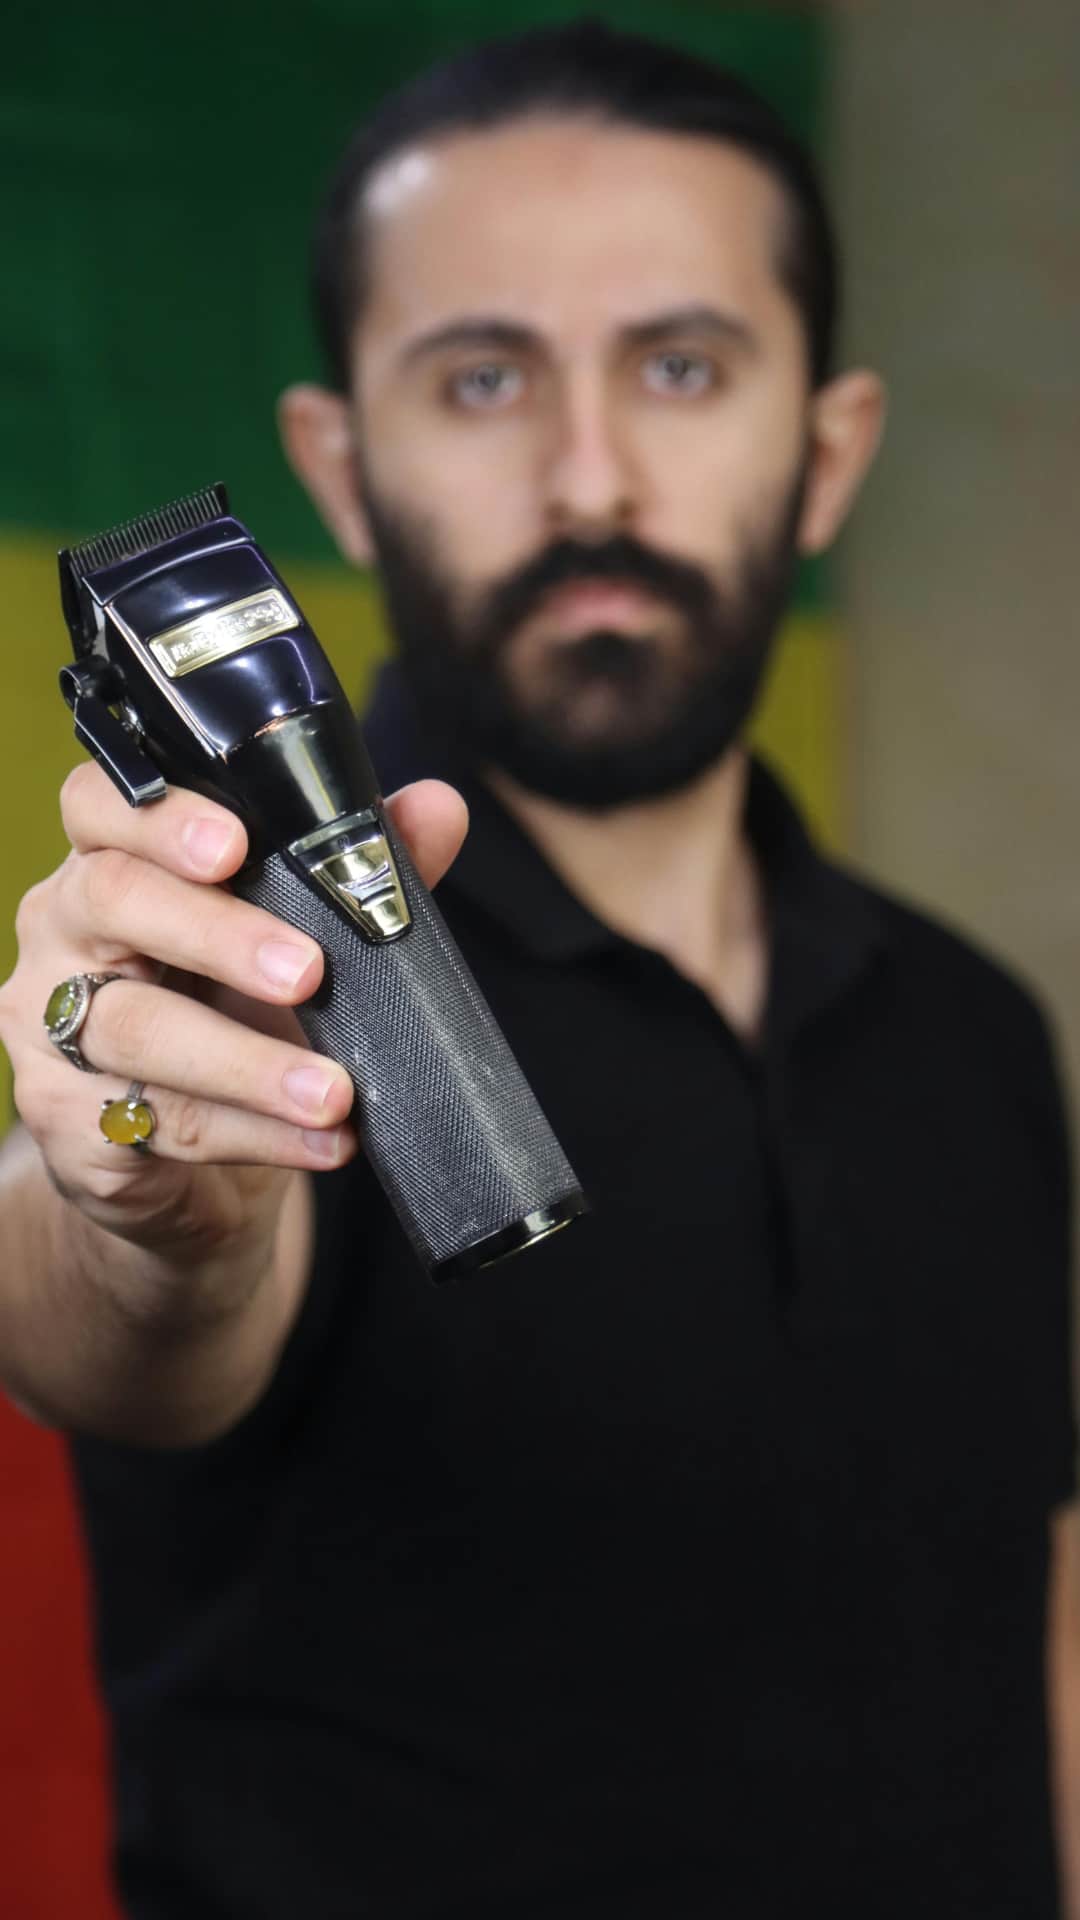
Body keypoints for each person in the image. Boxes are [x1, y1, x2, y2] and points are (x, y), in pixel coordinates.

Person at [0, 20, 1076, 1918]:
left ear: (827, 452)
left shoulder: (978, 1028)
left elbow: (1027, 1624)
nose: (592, 479)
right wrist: (141, 1206)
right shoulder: (250, 981)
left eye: (681, 366)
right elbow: (111, 1309)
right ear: (342, 467)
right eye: (484, 377)